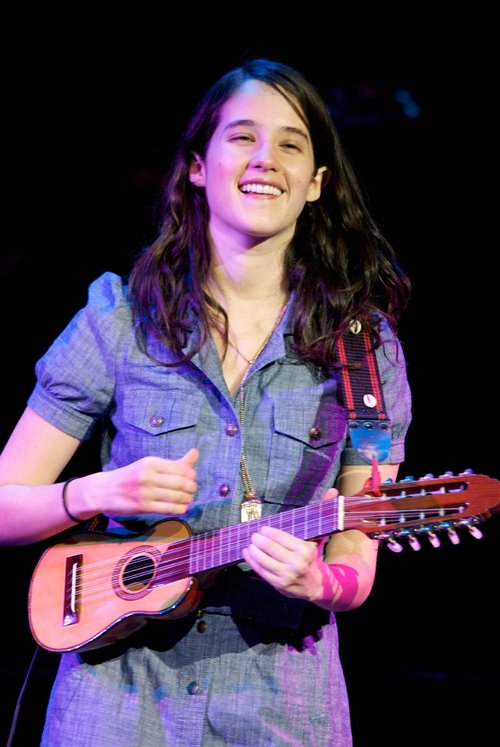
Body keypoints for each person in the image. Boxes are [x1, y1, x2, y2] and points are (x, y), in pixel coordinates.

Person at [0, 57, 412, 746]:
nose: (265, 158)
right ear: (198, 165)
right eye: (242, 136)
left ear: (316, 183)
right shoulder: (120, 319)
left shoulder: (364, 351)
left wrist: (320, 581)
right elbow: (4, 505)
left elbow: (357, 556)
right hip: (115, 704)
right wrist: (95, 491)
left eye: (290, 144)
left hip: (279, 706)